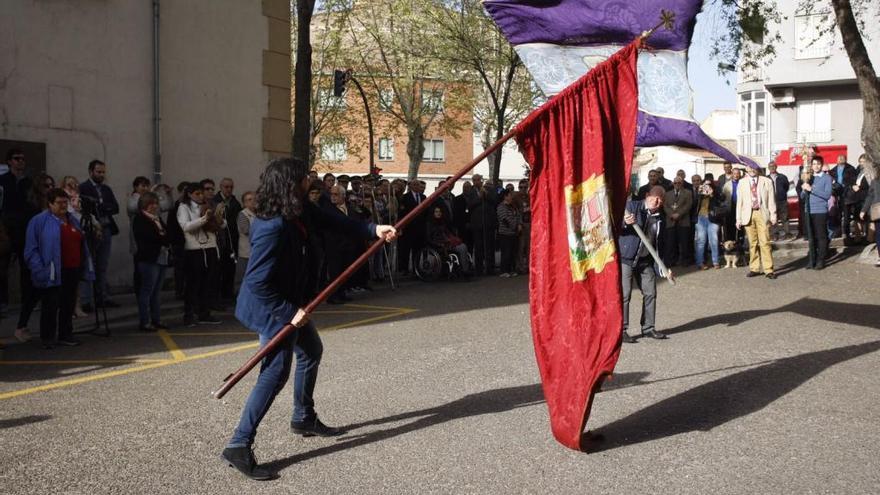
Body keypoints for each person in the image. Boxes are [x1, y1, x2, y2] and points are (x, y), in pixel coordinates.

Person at [222, 158, 396, 480]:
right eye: (305, 177)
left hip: (291, 302)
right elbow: (257, 282)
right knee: (274, 374)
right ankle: (238, 444)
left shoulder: (299, 209)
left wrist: (373, 229)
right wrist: (291, 313)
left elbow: (334, 221)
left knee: (311, 351)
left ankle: (303, 416)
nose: (310, 180)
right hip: (274, 309)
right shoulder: (272, 225)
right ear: (291, 183)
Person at [24, 188, 94, 348]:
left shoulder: (72, 219)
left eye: (65, 202)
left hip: (72, 268)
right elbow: (31, 249)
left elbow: (80, 241)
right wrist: (39, 269)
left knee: (68, 304)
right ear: (50, 204)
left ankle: (65, 334)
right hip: (52, 269)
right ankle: (47, 337)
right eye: (59, 203)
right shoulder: (39, 221)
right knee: (51, 304)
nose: (63, 206)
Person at [619, 186, 670, 343]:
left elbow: (659, 245)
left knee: (650, 293)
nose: (657, 201)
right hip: (626, 258)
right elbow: (616, 225)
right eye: (654, 197)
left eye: (660, 200)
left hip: (645, 260)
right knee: (625, 295)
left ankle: (648, 328)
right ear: (647, 195)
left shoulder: (660, 218)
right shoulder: (631, 207)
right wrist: (625, 222)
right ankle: (622, 330)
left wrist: (663, 268)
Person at [177, 182, 224, 326]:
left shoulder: (208, 205)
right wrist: (204, 218)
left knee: (207, 283)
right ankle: (189, 315)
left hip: (209, 247)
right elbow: (186, 226)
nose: (200, 196)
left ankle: (204, 313)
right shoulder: (184, 207)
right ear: (190, 194)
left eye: (201, 193)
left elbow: (222, 225)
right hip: (194, 249)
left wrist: (218, 218)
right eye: (197, 193)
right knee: (193, 284)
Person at [79, 159, 120, 310]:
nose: (101, 175)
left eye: (103, 172)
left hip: (106, 228)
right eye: (98, 172)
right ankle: (86, 300)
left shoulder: (106, 189)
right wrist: (101, 207)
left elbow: (115, 207)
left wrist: (102, 207)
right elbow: (85, 208)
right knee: (89, 264)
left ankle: (102, 297)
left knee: (102, 265)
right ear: (91, 172)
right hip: (90, 230)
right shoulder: (83, 187)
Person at [132, 192, 170, 332]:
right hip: (148, 259)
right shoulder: (140, 219)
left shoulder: (157, 218)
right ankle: (145, 321)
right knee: (147, 290)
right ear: (144, 205)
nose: (155, 206)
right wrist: (161, 237)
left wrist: (163, 237)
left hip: (161, 257)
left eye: (156, 203)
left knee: (156, 291)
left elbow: (166, 234)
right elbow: (147, 238)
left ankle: (157, 319)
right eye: (151, 203)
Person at [736, 165, 777, 278]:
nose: (752, 170)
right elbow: (740, 202)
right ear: (746, 169)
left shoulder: (767, 181)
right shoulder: (742, 182)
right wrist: (738, 218)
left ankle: (768, 269)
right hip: (748, 214)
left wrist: (773, 215)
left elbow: (771, 199)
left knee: (765, 242)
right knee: (752, 243)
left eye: (754, 167)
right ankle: (754, 268)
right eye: (749, 168)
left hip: (762, 213)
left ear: (757, 169)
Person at [800, 156, 833, 270]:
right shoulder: (809, 177)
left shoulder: (827, 178)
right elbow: (803, 196)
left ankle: (821, 260)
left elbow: (827, 195)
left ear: (822, 164)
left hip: (820, 211)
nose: (816, 166)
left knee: (821, 236)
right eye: (814, 164)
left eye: (818, 164)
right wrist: (804, 189)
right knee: (811, 237)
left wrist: (812, 189)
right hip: (808, 210)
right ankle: (812, 260)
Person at [465, 174, 498, 275]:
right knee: (478, 247)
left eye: (478, 180)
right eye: (474, 180)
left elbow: (495, 201)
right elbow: (469, 206)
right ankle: (479, 269)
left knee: (489, 246)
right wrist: (479, 198)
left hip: (488, 223)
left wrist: (486, 195)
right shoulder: (471, 192)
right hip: (477, 224)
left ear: (481, 180)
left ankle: (490, 268)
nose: (476, 182)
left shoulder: (489, 189)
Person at [215, 178, 242, 301]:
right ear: (220, 187)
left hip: (233, 239)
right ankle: (219, 295)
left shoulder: (235, 203)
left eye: (231, 187)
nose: (229, 189)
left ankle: (228, 293)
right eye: (226, 187)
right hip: (220, 240)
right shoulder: (216, 201)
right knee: (219, 270)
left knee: (230, 269)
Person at [127, 176, 151, 293]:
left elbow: (166, 206)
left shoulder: (150, 198)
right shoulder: (133, 198)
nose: (145, 188)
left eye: (147, 186)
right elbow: (133, 207)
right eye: (142, 186)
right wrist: (147, 199)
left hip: (150, 237)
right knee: (139, 266)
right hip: (138, 237)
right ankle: (139, 291)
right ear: (136, 187)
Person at [693, 175, 722, 269]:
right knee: (701, 241)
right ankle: (700, 263)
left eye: (709, 184)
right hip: (701, 218)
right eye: (705, 184)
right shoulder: (699, 191)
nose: (707, 186)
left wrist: (712, 193)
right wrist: (699, 193)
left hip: (712, 218)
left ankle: (715, 261)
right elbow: (693, 204)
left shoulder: (716, 191)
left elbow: (722, 199)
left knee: (714, 240)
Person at [663, 176, 693, 266]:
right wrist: (671, 214)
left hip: (683, 221)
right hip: (671, 220)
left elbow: (688, 205)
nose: (677, 184)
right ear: (673, 183)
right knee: (671, 242)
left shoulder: (688, 192)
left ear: (682, 183)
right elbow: (665, 206)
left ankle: (685, 261)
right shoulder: (667, 194)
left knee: (684, 243)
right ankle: (672, 261)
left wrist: (679, 214)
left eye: (679, 183)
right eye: (675, 183)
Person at [859, 157, 880, 266]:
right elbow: (870, 196)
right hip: (878, 211)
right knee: (878, 234)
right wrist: (863, 210)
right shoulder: (875, 181)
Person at [496, 190, 522, 277]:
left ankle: (512, 269)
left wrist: (519, 224)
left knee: (513, 252)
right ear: (505, 196)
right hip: (505, 233)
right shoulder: (501, 207)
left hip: (514, 233)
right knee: (506, 253)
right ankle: (504, 271)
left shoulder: (513, 206)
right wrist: (514, 226)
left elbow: (518, 215)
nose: (511, 197)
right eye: (510, 195)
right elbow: (505, 219)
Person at [845, 154, 871, 240]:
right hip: (857, 197)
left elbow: (870, 183)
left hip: (865, 196)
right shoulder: (858, 171)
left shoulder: (870, 171)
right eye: (860, 162)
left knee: (867, 218)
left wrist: (860, 187)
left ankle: (869, 237)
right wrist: (853, 185)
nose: (862, 163)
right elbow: (852, 180)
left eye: (863, 161)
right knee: (857, 217)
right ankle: (858, 237)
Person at [235, 191, 256, 288]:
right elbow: (246, 230)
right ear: (244, 203)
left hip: (255, 251)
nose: (253, 201)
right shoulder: (243, 214)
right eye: (249, 200)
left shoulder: (258, 214)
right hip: (246, 252)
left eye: (254, 199)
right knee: (242, 277)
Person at [767, 161, 791, 241]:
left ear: (776, 167)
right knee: (773, 219)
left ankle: (787, 233)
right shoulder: (766, 178)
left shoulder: (782, 177)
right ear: (768, 168)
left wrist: (781, 194)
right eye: (770, 166)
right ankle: (775, 234)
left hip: (782, 200)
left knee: (785, 218)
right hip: (771, 201)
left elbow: (786, 187)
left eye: (773, 166)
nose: (772, 168)